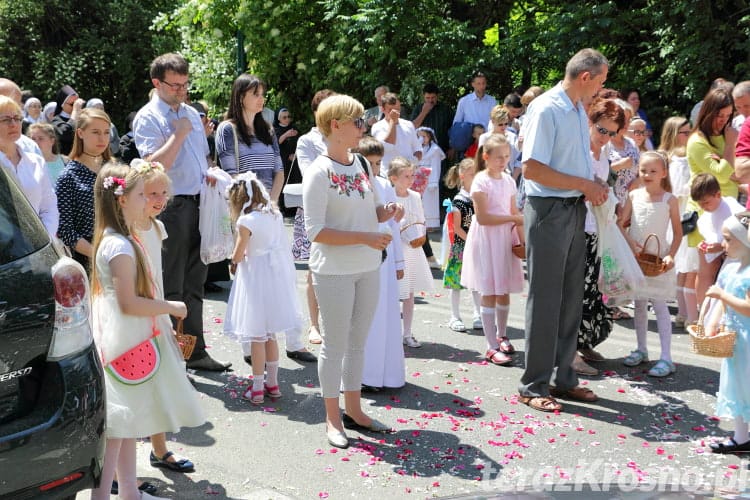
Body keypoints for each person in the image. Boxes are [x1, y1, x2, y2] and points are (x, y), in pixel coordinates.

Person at [88, 162, 203, 500]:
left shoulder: (118, 239)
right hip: (128, 339)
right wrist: (171, 307)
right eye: (142, 194)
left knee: (127, 425)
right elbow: (129, 303)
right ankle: (101, 496)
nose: (147, 200)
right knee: (118, 427)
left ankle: (128, 492)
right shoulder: (120, 246)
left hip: (127, 337)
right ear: (122, 200)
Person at [302, 94, 401, 448]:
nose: (363, 127)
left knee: (357, 344)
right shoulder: (318, 172)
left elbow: (372, 210)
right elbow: (315, 231)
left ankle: (355, 411)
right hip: (334, 271)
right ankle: (332, 418)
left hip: (367, 266)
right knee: (334, 345)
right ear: (336, 126)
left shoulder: (360, 164)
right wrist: (365, 235)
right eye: (357, 121)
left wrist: (386, 212)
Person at [519, 48, 609, 413]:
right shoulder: (546, 108)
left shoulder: (575, 108)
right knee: (545, 300)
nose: (603, 89)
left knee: (571, 298)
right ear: (586, 77)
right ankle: (533, 384)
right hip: (549, 210)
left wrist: (591, 183)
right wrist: (584, 185)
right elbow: (532, 169)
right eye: (601, 81)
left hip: (573, 209)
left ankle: (564, 379)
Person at [133, 52, 231, 372]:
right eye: (174, 85)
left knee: (195, 284)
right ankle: (173, 361)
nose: (181, 91)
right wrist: (179, 134)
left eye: (185, 84)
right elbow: (153, 167)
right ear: (156, 83)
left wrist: (212, 174)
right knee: (171, 285)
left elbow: (201, 160)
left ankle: (195, 352)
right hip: (171, 207)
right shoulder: (149, 117)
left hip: (201, 202)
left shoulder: (190, 112)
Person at [129, 159, 200, 482]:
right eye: (149, 193)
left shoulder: (157, 226)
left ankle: (159, 448)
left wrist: (165, 315)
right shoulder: (127, 230)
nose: (158, 199)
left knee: (157, 380)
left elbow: (156, 274)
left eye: (162, 193)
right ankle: (118, 465)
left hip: (156, 311)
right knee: (129, 385)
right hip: (134, 312)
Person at [224, 172, 301, 404]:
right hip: (274, 279)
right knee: (271, 335)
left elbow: (239, 253)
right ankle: (273, 384)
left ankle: (257, 388)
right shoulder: (274, 215)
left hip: (255, 279)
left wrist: (233, 261)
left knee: (256, 336)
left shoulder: (246, 221)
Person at [460, 134, 524, 365]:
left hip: (505, 237)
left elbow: (513, 209)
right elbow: (484, 217)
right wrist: (514, 219)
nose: (503, 161)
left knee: (503, 288)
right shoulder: (480, 181)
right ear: (486, 157)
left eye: (507, 156)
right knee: (489, 290)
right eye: (498, 157)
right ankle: (490, 345)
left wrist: (520, 239)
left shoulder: (508, 180)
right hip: (487, 238)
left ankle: (502, 334)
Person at [619, 151, 682, 377]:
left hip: (657, 259)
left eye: (653, 171)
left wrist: (671, 255)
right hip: (638, 259)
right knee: (639, 304)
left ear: (663, 174)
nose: (647, 174)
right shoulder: (634, 196)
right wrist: (632, 244)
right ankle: (641, 348)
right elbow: (619, 224)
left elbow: (677, 232)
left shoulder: (669, 200)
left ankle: (666, 357)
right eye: (644, 170)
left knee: (660, 305)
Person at [574, 98, 625, 377]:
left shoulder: (603, 155)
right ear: (591, 123)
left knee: (594, 290)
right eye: (601, 130)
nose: (605, 137)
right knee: (576, 294)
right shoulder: (579, 150)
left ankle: (585, 343)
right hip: (577, 227)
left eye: (611, 133)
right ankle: (569, 354)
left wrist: (605, 193)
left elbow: (604, 185)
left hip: (598, 227)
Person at [355, 137, 405, 391]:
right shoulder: (354, 185)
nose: (375, 169)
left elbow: (393, 225)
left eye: (378, 163)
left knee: (383, 314)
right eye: (369, 163)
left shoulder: (385, 184)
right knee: (364, 315)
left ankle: (383, 373)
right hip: (362, 250)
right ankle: (363, 375)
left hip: (384, 254)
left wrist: (398, 261)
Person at [686, 86, 738, 304]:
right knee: (707, 269)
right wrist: (731, 145)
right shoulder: (697, 141)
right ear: (708, 113)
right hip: (706, 210)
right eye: (719, 116)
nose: (723, 121)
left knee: (726, 268)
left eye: (727, 116)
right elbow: (723, 174)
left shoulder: (723, 135)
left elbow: (734, 172)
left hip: (728, 209)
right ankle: (702, 321)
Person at [293, 89, 336, 351]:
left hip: (343, 209)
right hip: (316, 211)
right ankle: (314, 323)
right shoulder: (306, 141)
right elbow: (309, 174)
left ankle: (336, 323)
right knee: (314, 269)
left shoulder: (345, 138)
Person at [704, 212, 750, 454]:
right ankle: (741, 437)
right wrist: (713, 322)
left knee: (748, 385)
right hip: (735, 341)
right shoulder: (732, 269)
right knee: (737, 388)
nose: (724, 245)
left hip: (748, 339)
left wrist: (722, 296)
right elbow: (723, 303)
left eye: (729, 239)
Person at [56, 108, 113, 269]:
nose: (102, 138)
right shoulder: (68, 177)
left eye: (106, 132)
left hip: (123, 248)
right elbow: (66, 230)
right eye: (95, 132)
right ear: (80, 133)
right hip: (90, 259)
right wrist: (99, 255)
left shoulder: (116, 169)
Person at [216, 74, 284, 201]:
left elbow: (279, 172)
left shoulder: (269, 130)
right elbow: (231, 176)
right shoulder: (228, 129)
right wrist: (253, 205)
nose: (261, 99)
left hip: (269, 209)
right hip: (243, 209)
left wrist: (270, 204)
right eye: (255, 94)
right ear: (241, 97)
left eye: (262, 94)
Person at [389, 157, 434, 348]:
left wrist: (417, 232)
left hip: (412, 248)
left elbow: (421, 220)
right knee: (391, 293)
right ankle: (390, 332)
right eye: (406, 176)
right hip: (394, 248)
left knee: (409, 293)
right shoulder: (388, 196)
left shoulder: (414, 197)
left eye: (411, 175)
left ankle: (407, 333)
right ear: (393, 178)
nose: (410, 179)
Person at [0, 96, 58, 236]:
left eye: (17, 118)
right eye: (6, 120)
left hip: (38, 248)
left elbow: (49, 207)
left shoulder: (36, 162)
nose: (13, 124)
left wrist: (44, 238)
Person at [662, 117, 699, 326]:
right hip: (683, 215)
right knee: (686, 265)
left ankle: (683, 313)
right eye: (684, 132)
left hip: (683, 214)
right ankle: (685, 313)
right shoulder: (675, 160)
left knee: (686, 266)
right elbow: (677, 190)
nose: (688, 135)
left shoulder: (683, 157)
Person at [443, 158, 483, 332]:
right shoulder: (459, 201)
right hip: (461, 247)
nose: (476, 177)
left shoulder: (478, 196)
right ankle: (455, 316)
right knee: (455, 283)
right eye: (472, 174)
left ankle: (478, 314)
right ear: (462, 176)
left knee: (476, 283)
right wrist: (471, 239)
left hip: (475, 245)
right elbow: (457, 227)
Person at [690, 173, 744, 303]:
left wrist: (720, 246)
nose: (703, 207)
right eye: (700, 204)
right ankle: (702, 309)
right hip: (718, 259)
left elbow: (743, 237)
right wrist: (707, 246)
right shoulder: (707, 214)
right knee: (704, 269)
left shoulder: (734, 210)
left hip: (737, 260)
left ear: (718, 195)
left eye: (706, 202)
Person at [371, 92, 422, 176]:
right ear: (383, 109)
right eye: (391, 110)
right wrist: (392, 122)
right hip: (389, 176)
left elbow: (418, 149)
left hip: (409, 175)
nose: (396, 113)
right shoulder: (377, 127)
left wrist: (412, 162)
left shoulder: (408, 124)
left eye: (398, 109)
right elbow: (388, 146)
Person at [416, 126, 445, 229]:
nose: (422, 139)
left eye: (424, 136)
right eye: (419, 136)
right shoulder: (417, 149)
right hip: (417, 178)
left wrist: (434, 181)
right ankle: (419, 222)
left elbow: (436, 167)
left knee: (429, 202)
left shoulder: (435, 150)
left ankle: (430, 224)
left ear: (430, 137)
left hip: (429, 178)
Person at [52, 85, 84, 156]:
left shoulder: (83, 119)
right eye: (72, 104)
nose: (76, 106)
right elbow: (65, 133)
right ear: (62, 105)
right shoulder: (56, 120)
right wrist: (75, 111)